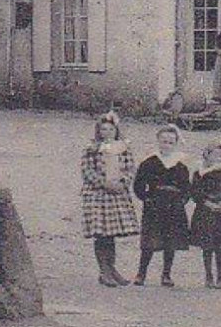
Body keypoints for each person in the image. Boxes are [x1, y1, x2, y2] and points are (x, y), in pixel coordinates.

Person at [79, 111, 139, 287]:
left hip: (117, 194)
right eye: (103, 129)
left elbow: (130, 169)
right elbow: (87, 171)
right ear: (98, 131)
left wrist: (122, 182)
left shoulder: (123, 148)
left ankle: (112, 268)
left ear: (116, 130)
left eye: (110, 129)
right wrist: (103, 183)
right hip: (98, 194)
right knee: (101, 233)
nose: (107, 132)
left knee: (111, 234)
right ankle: (103, 270)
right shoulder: (91, 149)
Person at [132, 124, 192, 287]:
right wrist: (146, 198)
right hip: (154, 205)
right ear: (158, 142)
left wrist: (181, 201)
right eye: (164, 141)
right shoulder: (149, 162)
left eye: (170, 142)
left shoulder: (180, 165)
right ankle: (141, 273)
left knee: (170, 242)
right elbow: (138, 184)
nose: (167, 145)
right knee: (149, 242)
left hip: (174, 207)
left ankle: (166, 274)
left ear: (175, 144)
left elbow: (186, 187)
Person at [189, 142, 221, 290]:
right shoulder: (199, 173)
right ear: (207, 155)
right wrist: (207, 203)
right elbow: (195, 192)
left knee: (220, 246)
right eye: (215, 155)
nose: (219, 158)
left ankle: (220, 276)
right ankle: (208, 276)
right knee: (207, 245)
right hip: (205, 212)